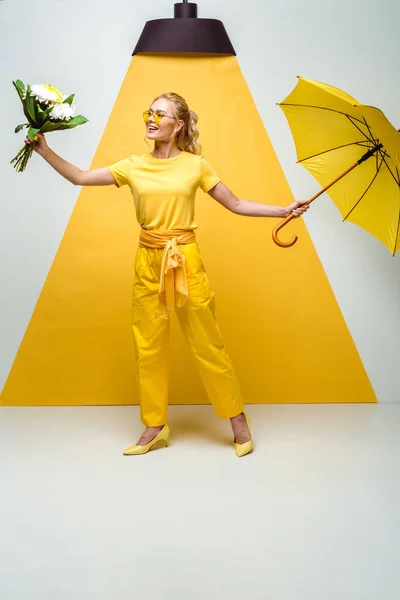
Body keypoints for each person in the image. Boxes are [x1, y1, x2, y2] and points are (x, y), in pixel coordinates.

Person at [25, 92, 308, 458]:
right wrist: (44, 151)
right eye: (150, 112)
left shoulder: (196, 165)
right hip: (147, 259)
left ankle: (237, 419)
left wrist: (281, 210)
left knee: (208, 344)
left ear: (178, 125)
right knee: (148, 348)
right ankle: (155, 425)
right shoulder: (132, 165)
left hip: (186, 261)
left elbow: (235, 203)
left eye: (161, 114)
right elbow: (79, 177)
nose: (151, 119)